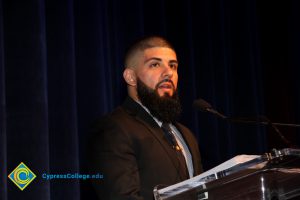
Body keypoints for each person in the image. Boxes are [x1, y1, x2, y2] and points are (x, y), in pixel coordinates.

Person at [87, 36, 203, 200]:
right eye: (155, 64)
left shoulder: (186, 135)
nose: (168, 72)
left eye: (173, 66)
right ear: (131, 77)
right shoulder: (113, 128)